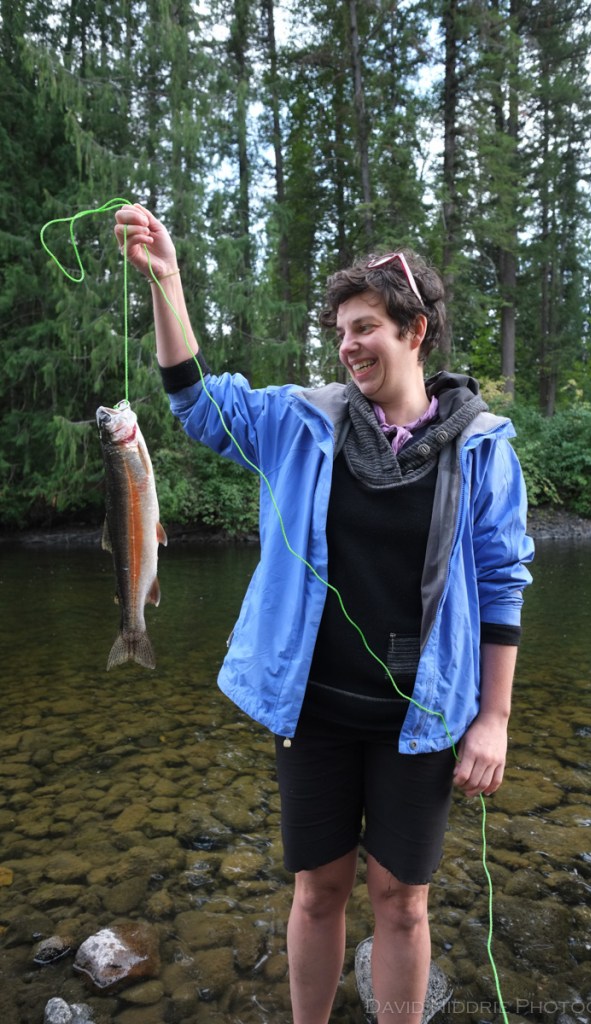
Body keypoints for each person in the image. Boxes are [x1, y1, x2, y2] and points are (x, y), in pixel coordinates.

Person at [114, 203, 534, 1024]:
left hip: (423, 714)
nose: (348, 345)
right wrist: (167, 283)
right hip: (312, 708)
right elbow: (199, 405)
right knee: (318, 891)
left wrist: (494, 719)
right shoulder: (302, 421)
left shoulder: (484, 446)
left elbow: (504, 581)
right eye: (342, 330)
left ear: (415, 331)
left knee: (401, 901)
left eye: (366, 326)